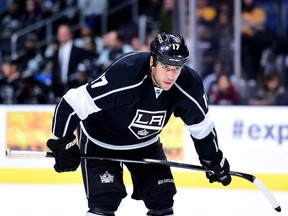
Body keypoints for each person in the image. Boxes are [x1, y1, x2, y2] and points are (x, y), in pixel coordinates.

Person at [46, 32, 231, 216]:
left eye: (177, 68)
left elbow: (202, 127)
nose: (171, 75)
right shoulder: (125, 74)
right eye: (166, 66)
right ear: (153, 62)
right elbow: (71, 103)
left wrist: (212, 159)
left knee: (162, 199)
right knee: (104, 202)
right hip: (100, 141)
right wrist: (62, 142)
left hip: (145, 145)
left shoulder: (189, 85)